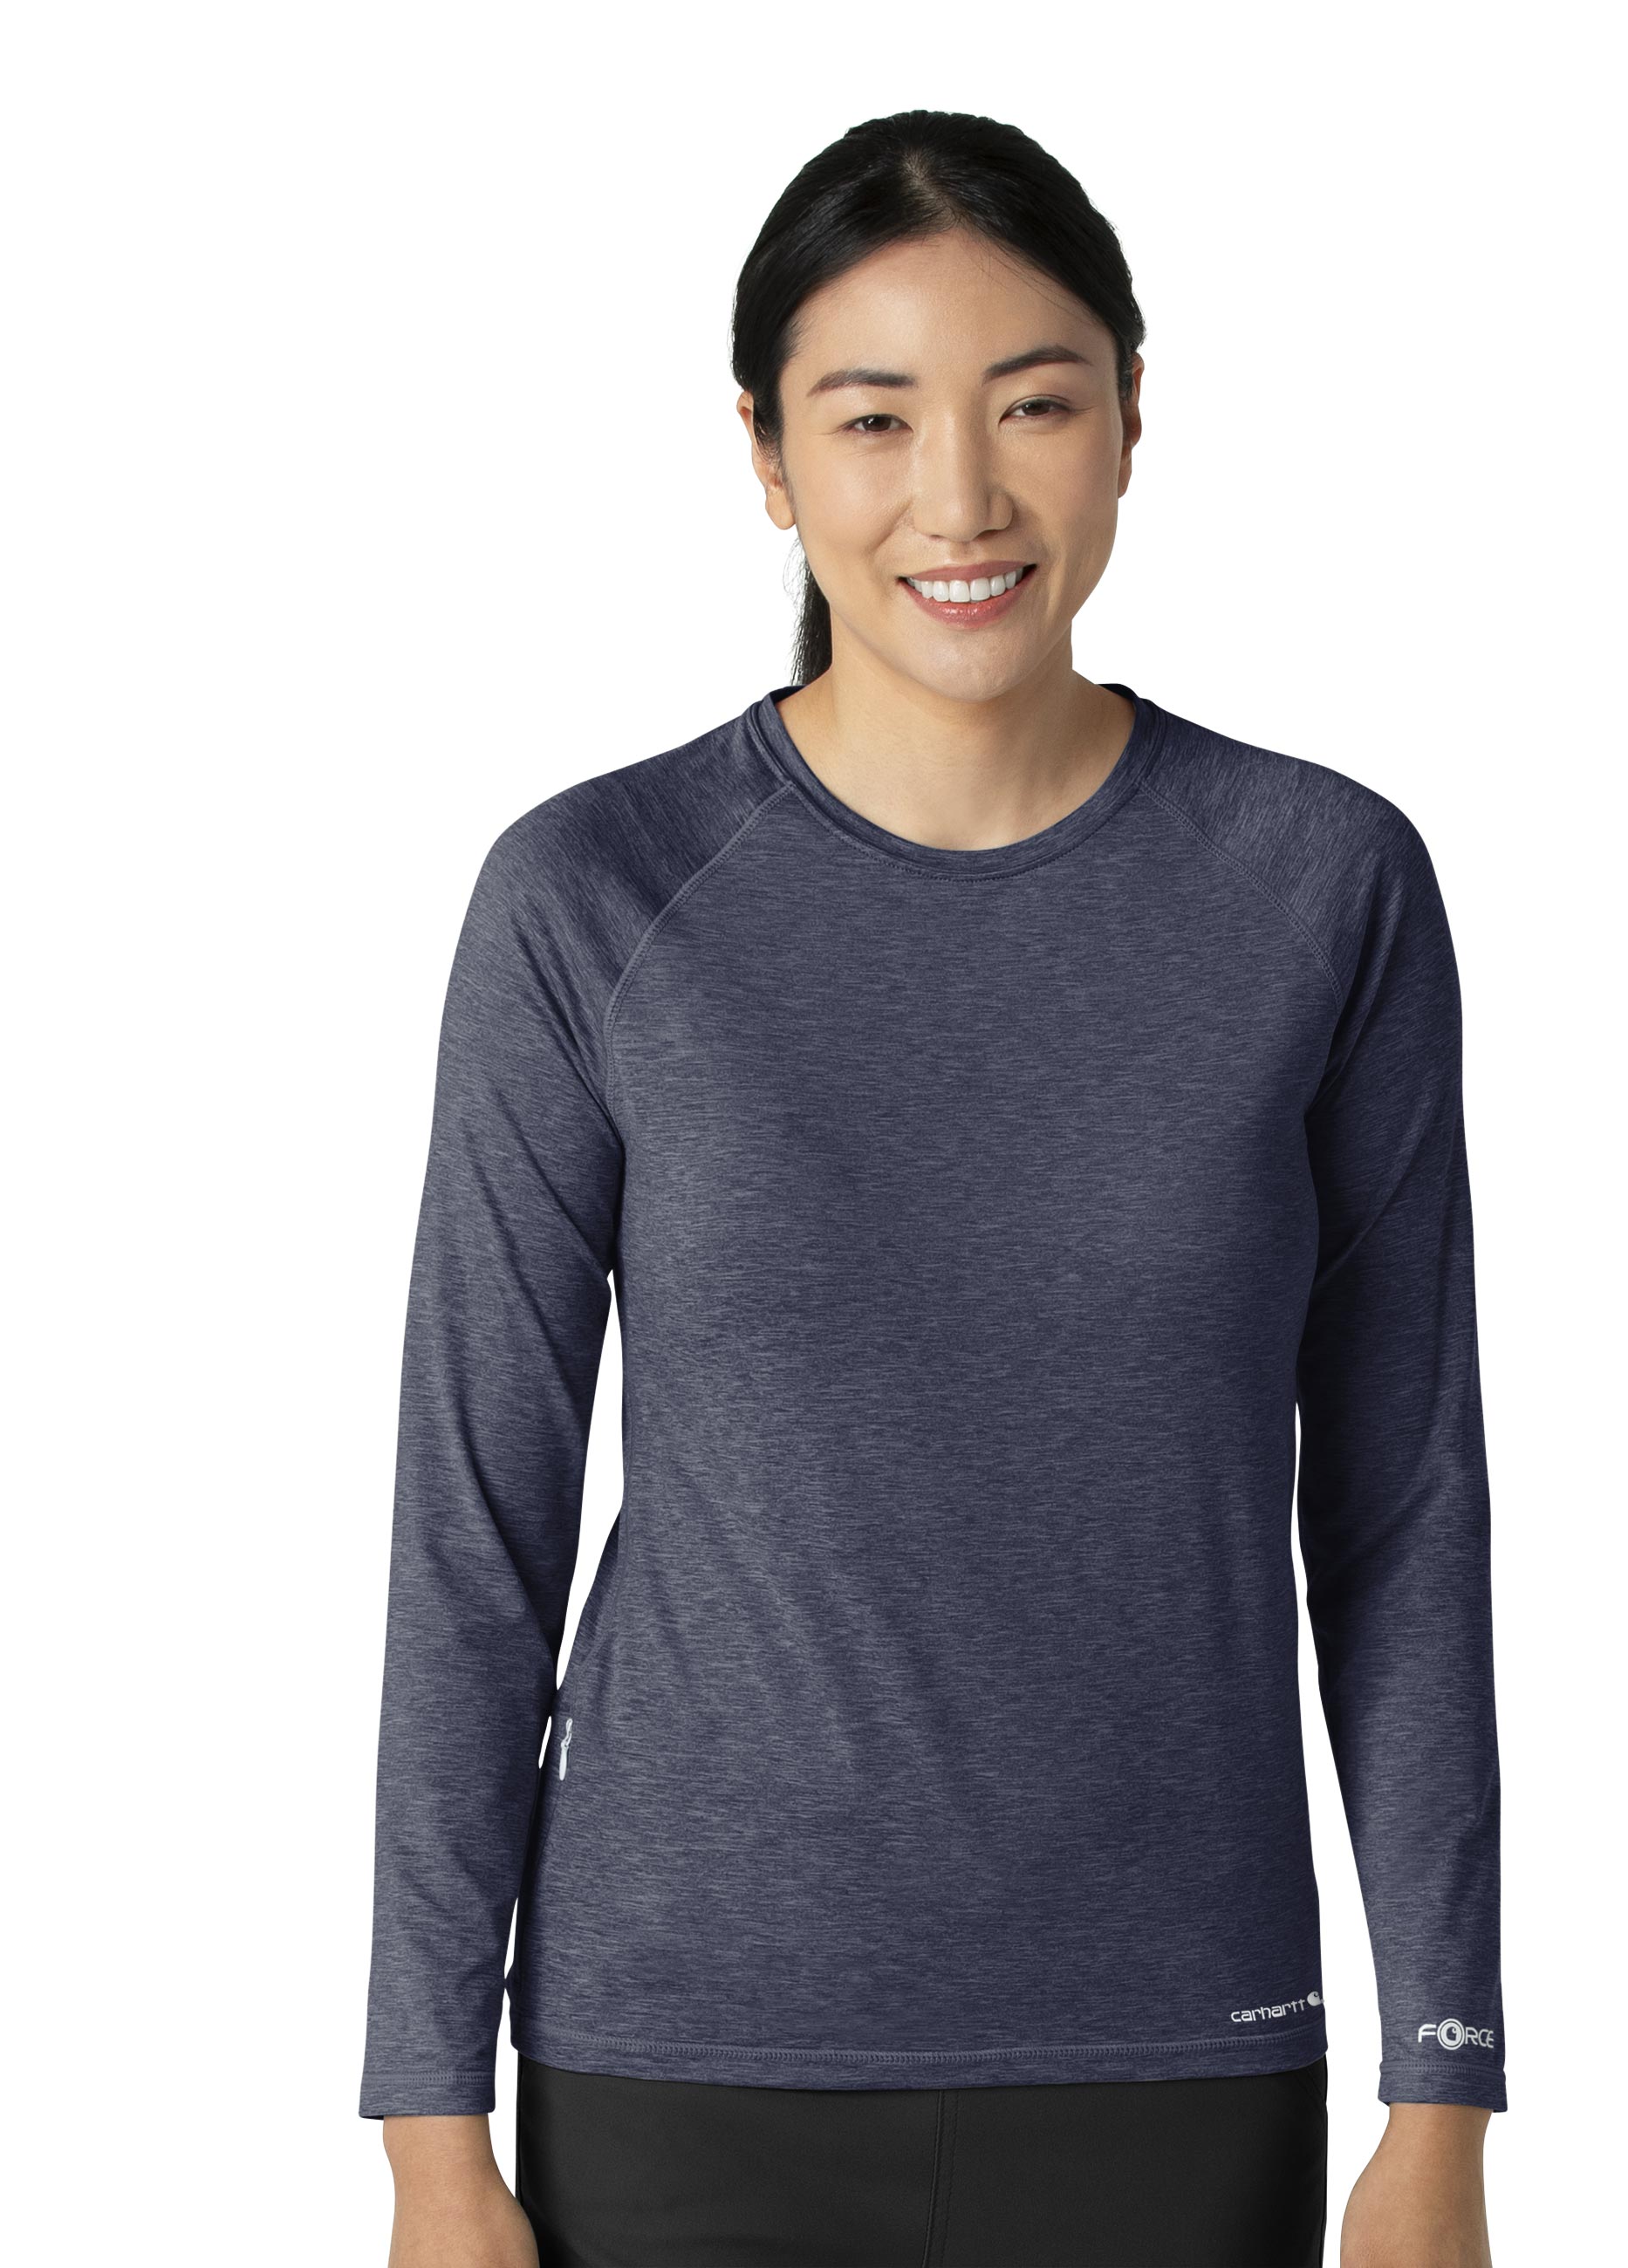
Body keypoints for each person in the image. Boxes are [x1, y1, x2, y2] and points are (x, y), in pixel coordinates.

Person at [361, 109, 1504, 2268]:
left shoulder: (1319, 885)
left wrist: (1438, 2092)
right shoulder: (592, 894)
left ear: (1131, 418)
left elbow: (1402, 1511)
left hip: (1176, 2052)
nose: (959, 499)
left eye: (1033, 405)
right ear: (768, 456)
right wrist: (432, 2132)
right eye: (873, 419)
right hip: (683, 2064)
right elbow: (473, 1524)